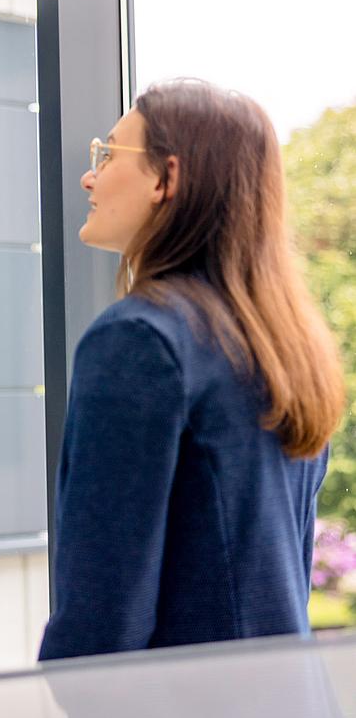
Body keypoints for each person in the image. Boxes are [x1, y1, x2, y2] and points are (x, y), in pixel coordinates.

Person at [39, 79, 344, 661]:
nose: (89, 176)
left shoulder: (137, 338)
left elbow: (103, 610)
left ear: (167, 178)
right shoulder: (285, 346)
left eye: (108, 154)